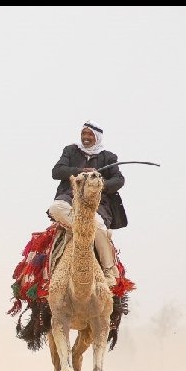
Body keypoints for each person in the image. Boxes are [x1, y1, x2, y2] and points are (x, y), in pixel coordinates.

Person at [47, 120, 127, 286]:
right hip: (70, 198)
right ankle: (83, 229)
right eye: (84, 133)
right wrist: (80, 172)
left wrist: (98, 184)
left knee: (98, 225)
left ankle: (107, 269)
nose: (86, 137)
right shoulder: (71, 151)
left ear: (97, 137)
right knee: (55, 208)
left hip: (96, 204)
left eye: (90, 134)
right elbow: (57, 171)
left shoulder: (108, 157)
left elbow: (119, 180)